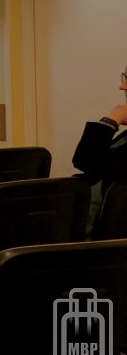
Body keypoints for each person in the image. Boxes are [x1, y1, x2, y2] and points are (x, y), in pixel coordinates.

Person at [72, 63, 127, 232]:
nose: (121, 86)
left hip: (106, 247)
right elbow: (84, 161)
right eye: (124, 77)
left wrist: (112, 119)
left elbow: (87, 161)